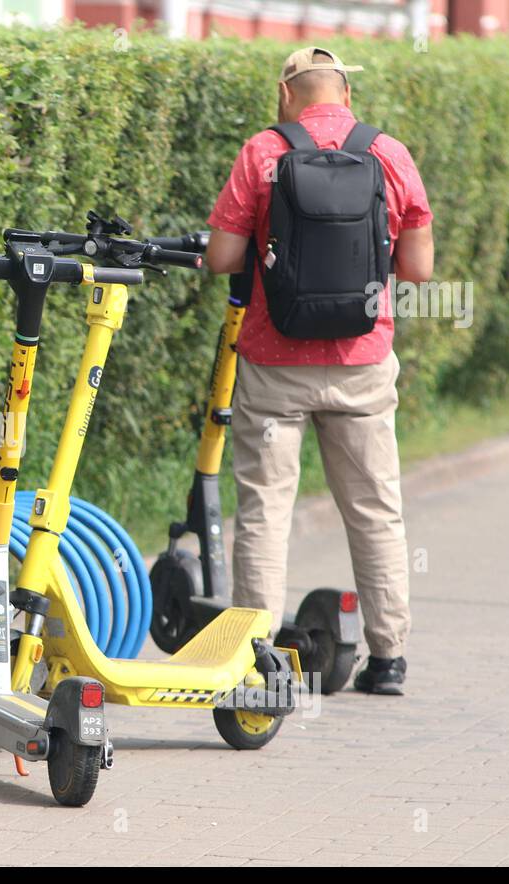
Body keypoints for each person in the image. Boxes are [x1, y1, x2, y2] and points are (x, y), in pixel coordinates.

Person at [203, 48, 434, 695]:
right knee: (376, 511)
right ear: (346, 96)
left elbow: (223, 255)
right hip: (362, 364)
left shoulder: (263, 152)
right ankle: (388, 661)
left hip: (276, 366)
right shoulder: (388, 153)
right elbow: (417, 269)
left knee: (265, 510)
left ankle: (256, 663)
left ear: (286, 93)